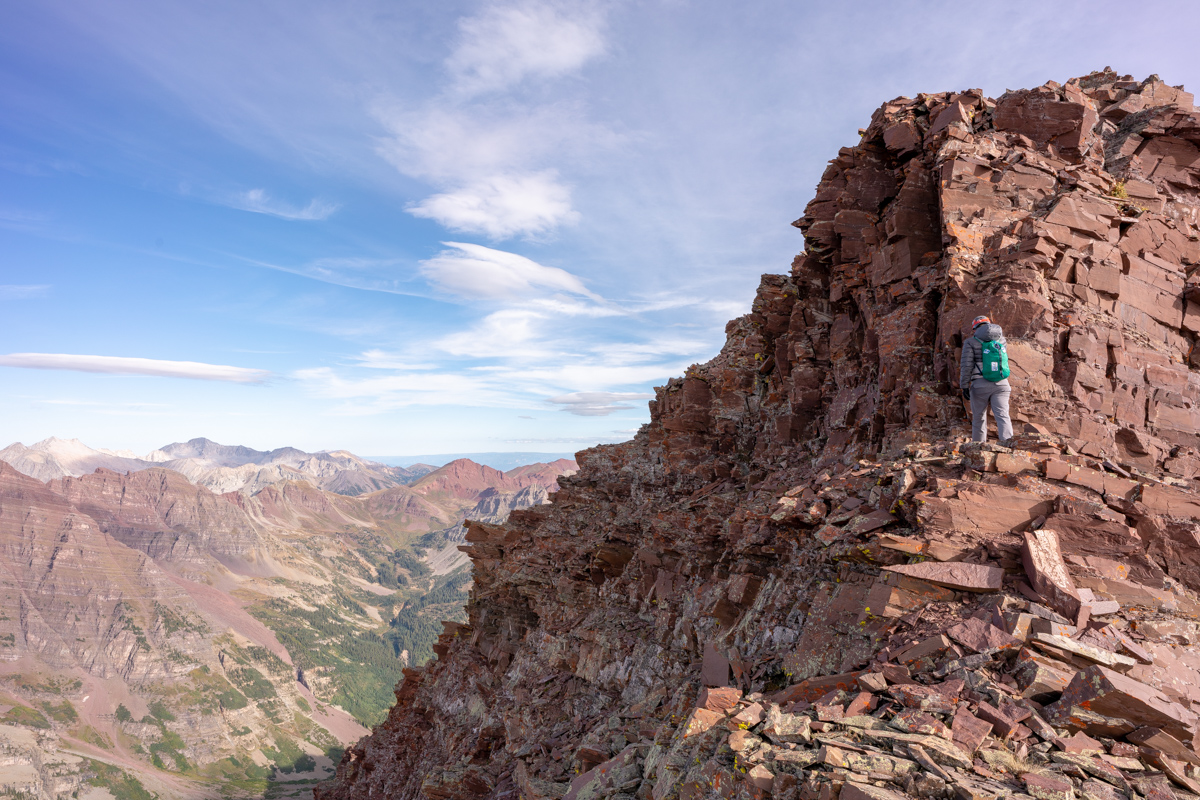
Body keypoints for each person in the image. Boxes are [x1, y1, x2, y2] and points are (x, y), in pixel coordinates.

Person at [959, 315, 1013, 443]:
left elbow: (967, 365)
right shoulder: (1001, 340)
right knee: (1003, 416)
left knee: (979, 417)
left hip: (980, 385)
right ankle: (1009, 445)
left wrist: (964, 385)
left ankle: (978, 447)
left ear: (975, 328)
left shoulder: (971, 342)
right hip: (1002, 384)